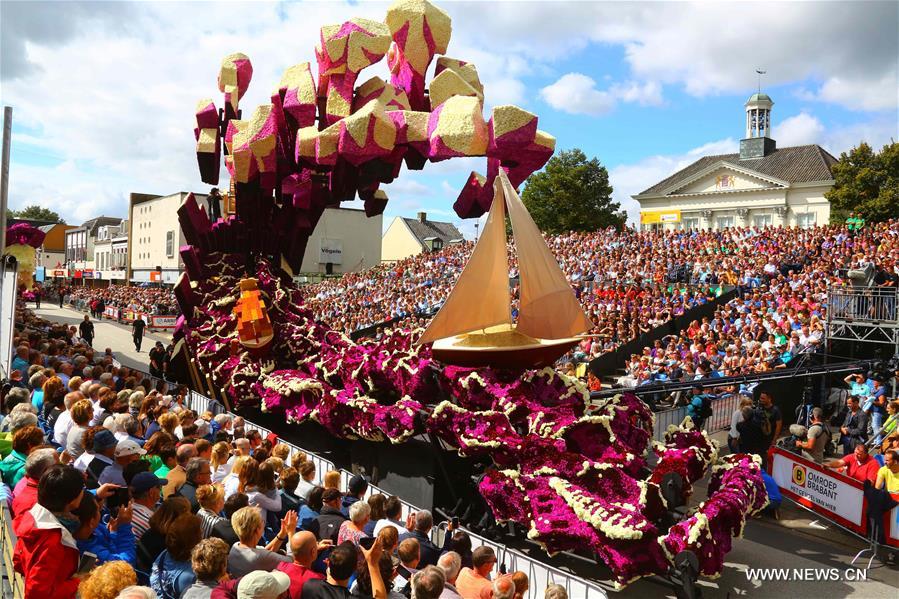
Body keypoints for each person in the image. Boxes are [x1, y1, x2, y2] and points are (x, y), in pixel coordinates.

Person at [13, 464, 86, 599]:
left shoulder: (31, 518)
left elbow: (18, 561)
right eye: (83, 489)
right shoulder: (54, 540)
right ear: (71, 499)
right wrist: (78, 581)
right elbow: (36, 593)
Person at [300, 538, 387, 599]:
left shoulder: (310, 586)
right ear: (355, 569)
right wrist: (373, 564)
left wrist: (317, 549)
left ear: (328, 563)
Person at [228, 506, 295, 577]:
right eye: (262, 521)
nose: (264, 523)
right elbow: (291, 562)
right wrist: (291, 532)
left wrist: (282, 533)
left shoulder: (235, 546)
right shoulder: (260, 556)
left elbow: (264, 552)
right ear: (257, 530)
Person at [73, 492, 137, 565]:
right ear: (91, 521)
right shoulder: (91, 553)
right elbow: (124, 565)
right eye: (98, 510)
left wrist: (113, 533)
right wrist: (124, 527)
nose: (100, 512)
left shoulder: (92, 529)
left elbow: (110, 547)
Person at [151, 513, 202, 599]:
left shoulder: (164, 554)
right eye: (200, 531)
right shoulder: (191, 574)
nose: (202, 533)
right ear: (194, 539)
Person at [277, 531, 328, 599]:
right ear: (313, 552)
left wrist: (313, 550)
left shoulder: (281, 566)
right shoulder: (319, 580)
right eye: (316, 544)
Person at [11, 447, 57, 518]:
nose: (61, 467)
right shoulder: (40, 502)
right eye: (57, 465)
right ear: (46, 471)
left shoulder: (26, 483)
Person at [131, 471, 167, 540]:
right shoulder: (150, 522)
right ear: (151, 492)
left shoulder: (126, 511)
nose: (160, 491)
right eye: (159, 488)